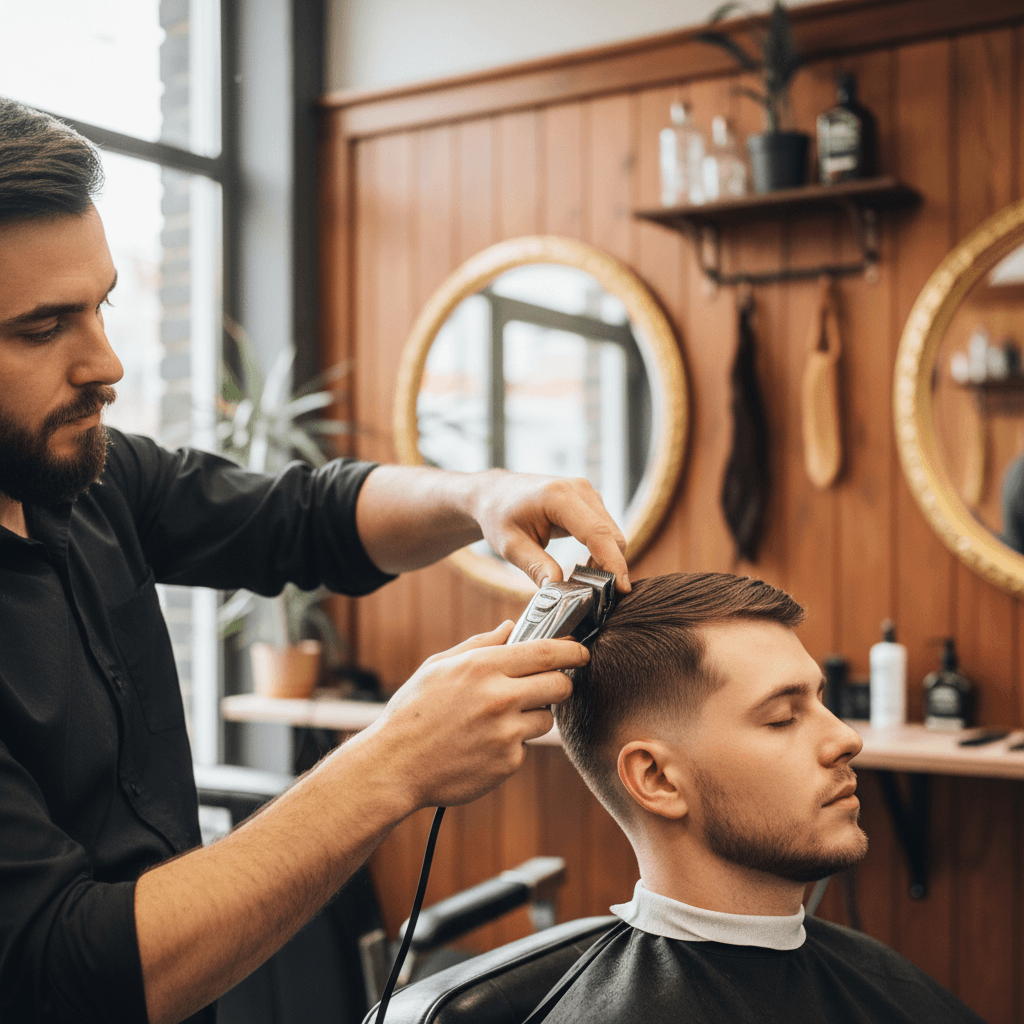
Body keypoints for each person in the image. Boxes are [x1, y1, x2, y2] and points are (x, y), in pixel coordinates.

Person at [0, 97, 631, 1024]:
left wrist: (478, 497)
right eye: (42, 328)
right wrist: (393, 762)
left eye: (101, 308)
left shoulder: (87, 480)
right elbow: (74, 971)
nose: (108, 364)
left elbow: (308, 517)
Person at [526, 573, 986, 1024]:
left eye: (821, 702)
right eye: (783, 718)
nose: (846, 739)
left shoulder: (871, 971)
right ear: (658, 779)